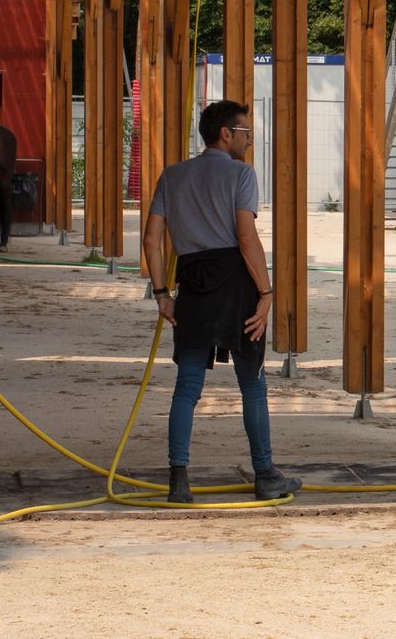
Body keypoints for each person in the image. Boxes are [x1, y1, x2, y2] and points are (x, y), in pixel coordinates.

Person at [143, 99, 300, 504]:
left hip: (192, 283)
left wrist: (162, 294)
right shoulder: (241, 175)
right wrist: (266, 292)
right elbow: (246, 237)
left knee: (187, 386)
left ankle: (178, 480)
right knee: (252, 383)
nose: (250, 140)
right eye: (245, 132)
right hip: (237, 284)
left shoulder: (173, 176)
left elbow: (151, 240)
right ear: (227, 134)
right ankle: (265, 475)